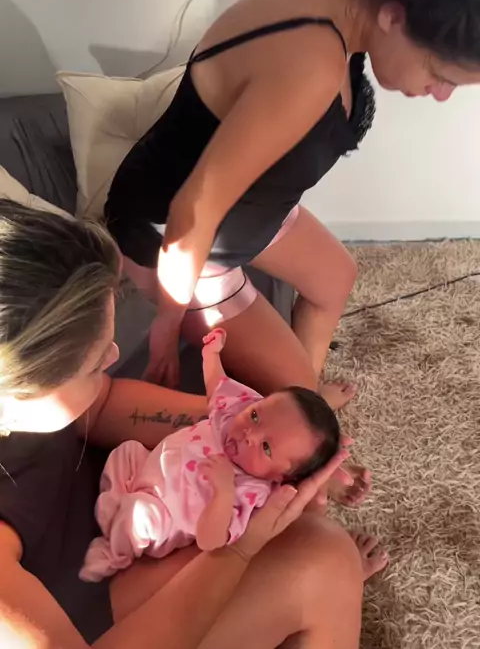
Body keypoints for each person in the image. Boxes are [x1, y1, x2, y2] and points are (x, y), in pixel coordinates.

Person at [105, 0, 480, 410]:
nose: (441, 94)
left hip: (247, 205)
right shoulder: (309, 68)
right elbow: (193, 211)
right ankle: (302, 396)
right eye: (440, 74)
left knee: (336, 278)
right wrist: (168, 319)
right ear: (394, 16)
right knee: (304, 425)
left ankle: (303, 383)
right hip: (174, 231)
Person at [0, 200, 387, 649]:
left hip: (120, 505)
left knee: (296, 509)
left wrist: (241, 430)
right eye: (92, 364)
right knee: (325, 561)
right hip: (95, 601)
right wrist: (241, 551)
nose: (113, 357)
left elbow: (101, 403)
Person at [81, 327, 340, 582]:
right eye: (255, 416)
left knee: (139, 516)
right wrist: (211, 355)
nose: (249, 434)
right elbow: (217, 385)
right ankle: (115, 506)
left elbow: (210, 541)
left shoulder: (251, 492)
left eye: (266, 447)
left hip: (163, 514)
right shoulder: (235, 410)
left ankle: (115, 553)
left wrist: (223, 491)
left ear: (280, 477)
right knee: (127, 451)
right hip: (148, 468)